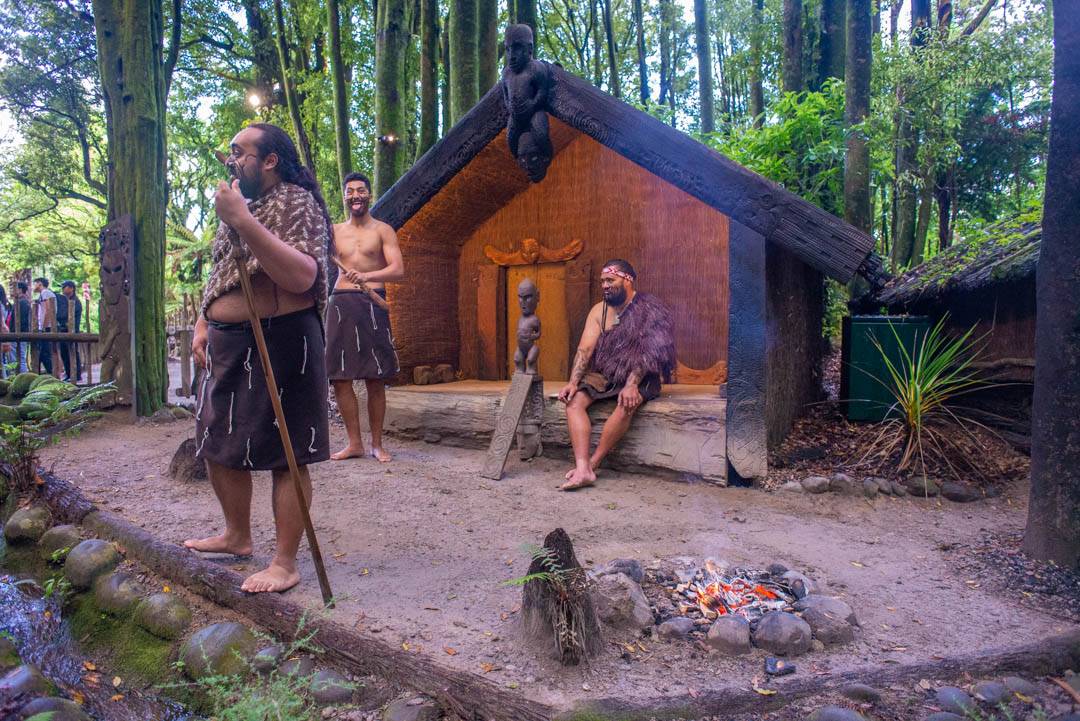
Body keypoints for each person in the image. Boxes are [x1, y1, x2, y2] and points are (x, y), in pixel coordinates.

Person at [185, 122, 332, 594]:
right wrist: (205, 321)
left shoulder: (296, 202)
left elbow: (303, 275)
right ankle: (236, 534)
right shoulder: (237, 209)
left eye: (241, 152)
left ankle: (285, 562)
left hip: (282, 339)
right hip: (229, 342)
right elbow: (221, 274)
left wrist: (244, 222)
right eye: (230, 152)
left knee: (286, 455)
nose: (232, 160)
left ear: (269, 160)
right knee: (216, 440)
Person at [556, 260, 676, 491]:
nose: (605, 285)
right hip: (608, 372)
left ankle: (593, 464)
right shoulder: (598, 311)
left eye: (610, 280)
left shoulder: (650, 309)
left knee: (626, 402)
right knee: (573, 402)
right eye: (602, 281)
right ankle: (581, 466)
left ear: (628, 280)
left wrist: (632, 385)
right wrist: (572, 383)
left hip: (640, 374)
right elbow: (585, 350)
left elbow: (648, 354)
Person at [324, 171, 403, 463]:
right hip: (341, 301)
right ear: (344, 196)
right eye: (350, 191)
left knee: (375, 376)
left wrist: (367, 275)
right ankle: (354, 443)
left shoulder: (383, 230)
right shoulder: (332, 231)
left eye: (360, 190)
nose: (355, 195)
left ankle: (377, 444)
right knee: (341, 377)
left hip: (372, 303)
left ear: (369, 195)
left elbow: (398, 269)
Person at [57, 280, 83, 382]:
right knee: (64, 352)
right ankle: (68, 374)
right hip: (63, 330)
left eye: (65, 287)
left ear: (71, 288)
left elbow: (65, 315)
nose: (63, 289)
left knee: (72, 352)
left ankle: (76, 374)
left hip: (72, 330)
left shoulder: (75, 301)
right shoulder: (64, 300)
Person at [33, 277, 56, 375]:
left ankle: (51, 374)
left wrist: (44, 326)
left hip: (47, 327)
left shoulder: (45, 293)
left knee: (44, 353)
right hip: (46, 326)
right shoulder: (44, 293)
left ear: (40, 284)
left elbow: (48, 310)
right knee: (43, 352)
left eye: (35, 283)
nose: (34, 286)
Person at [12, 283, 31, 373]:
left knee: (19, 358)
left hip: (20, 332)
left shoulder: (22, 302)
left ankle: (22, 376)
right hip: (19, 332)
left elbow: (22, 319)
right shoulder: (22, 301)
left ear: (20, 289)